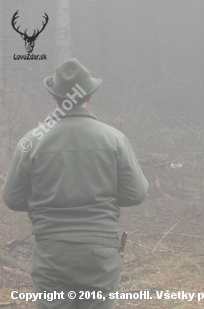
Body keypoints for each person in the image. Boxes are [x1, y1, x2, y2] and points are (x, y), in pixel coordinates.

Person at [1, 58, 149, 309]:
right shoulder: (114, 138)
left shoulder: (31, 141)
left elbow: (12, 198)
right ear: (89, 96)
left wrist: (47, 200)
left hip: (51, 253)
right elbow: (136, 193)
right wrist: (103, 195)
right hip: (100, 254)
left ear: (55, 98)